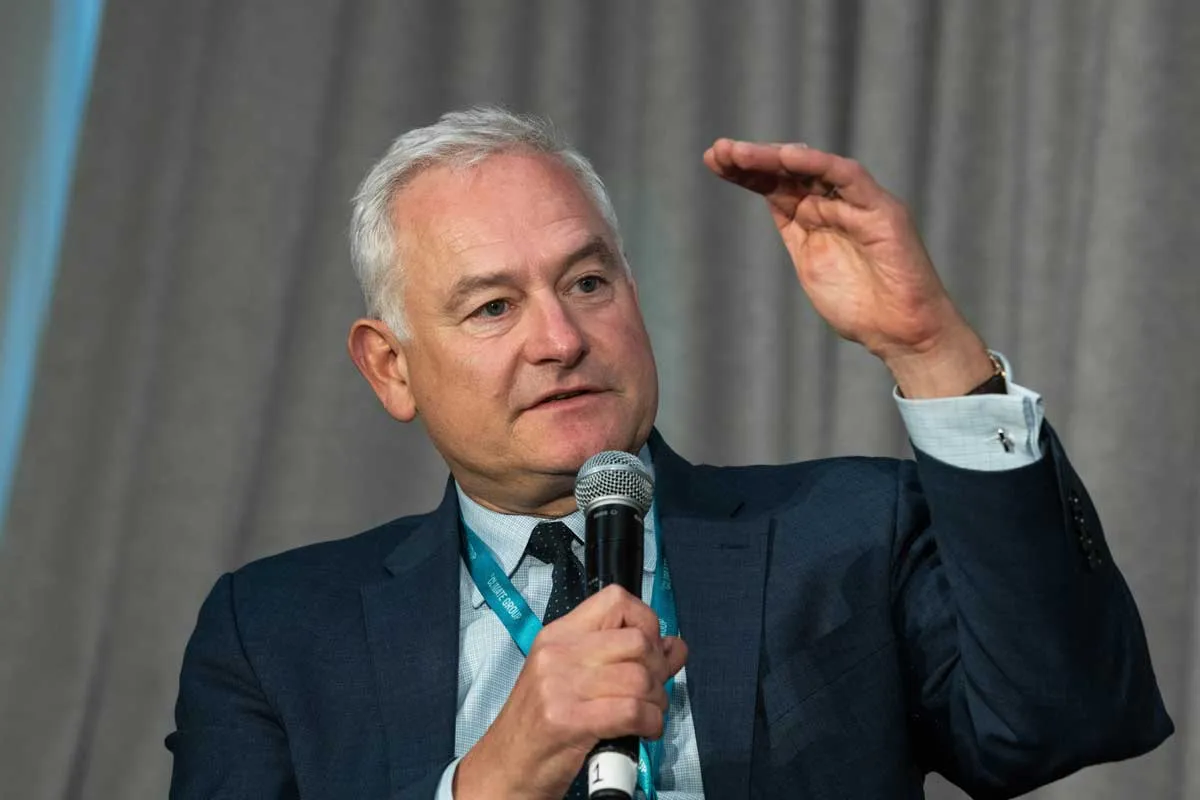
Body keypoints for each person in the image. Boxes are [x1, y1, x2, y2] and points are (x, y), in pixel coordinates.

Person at [166, 106, 1172, 799]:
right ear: (390, 367)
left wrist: (929, 345)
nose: (560, 338)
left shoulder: (850, 533)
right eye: (493, 306)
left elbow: (1066, 717)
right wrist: (495, 779)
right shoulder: (273, 631)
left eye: (589, 282)